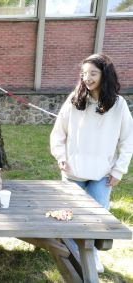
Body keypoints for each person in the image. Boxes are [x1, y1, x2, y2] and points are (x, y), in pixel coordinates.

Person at [50, 53, 133, 273]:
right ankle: (74, 257)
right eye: (84, 73)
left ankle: (92, 257)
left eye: (93, 73)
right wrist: (61, 157)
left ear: (105, 75)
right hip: (73, 172)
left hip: (102, 174)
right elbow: (58, 133)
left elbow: (127, 140)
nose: (87, 78)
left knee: (97, 220)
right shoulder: (75, 99)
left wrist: (119, 170)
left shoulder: (119, 104)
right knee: (71, 217)